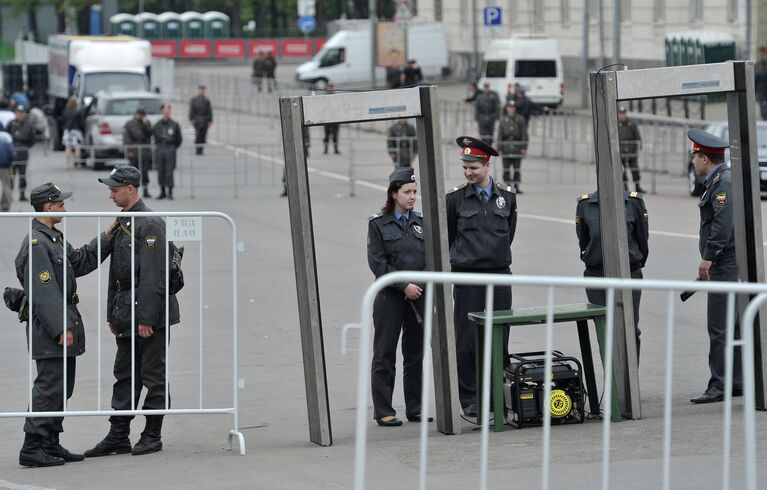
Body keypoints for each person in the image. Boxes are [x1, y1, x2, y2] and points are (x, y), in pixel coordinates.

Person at [85, 165, 180, 457]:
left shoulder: (149, 223)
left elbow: (153, 275)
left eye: (114, 189)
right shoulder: (125, 220)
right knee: (124, 374)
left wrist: (147, 318)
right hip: (128, 312)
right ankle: (118, 435)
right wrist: (113, 315)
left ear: (131, 189)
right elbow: (118, 275)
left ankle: (152, 435)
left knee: (152, 375)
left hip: (148, 315)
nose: (110, 195)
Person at [15, 183, 113, 467]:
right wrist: (61, 328)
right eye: (60, 204)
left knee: (61, 388)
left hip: (60, 324)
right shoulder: (37, 243)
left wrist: (106, 237)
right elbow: (44, 294)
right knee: (49, 387)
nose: (64, 208)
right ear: (48, 207)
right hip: (50, 329)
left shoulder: (52, 239)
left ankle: (50, 442)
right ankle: (32, 447)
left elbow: (79, 262)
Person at [446, 136, 517, 417]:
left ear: (487, 164)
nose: (468, 172)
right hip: (467, 276)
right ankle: (471, 399)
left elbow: (509, 234)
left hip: (499, 276)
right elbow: (449, 236)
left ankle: (495, 394)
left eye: (473, 167)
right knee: (467, 341)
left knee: (499, 338)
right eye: (465, 167)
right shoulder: (455, 199)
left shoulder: (507, 198)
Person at [366, 166, 431, 426]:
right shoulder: (378, 223)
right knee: (384, 353)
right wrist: (403, 285)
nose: (412, 196)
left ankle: (414, 408)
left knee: (415, 353)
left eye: (415, 192)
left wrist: (418, 284)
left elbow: (430, 257)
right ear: (394, 194)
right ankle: (383, 410)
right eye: (407, 192)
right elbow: (377, 262)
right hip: (390, 296)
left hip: (419, 294)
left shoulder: (421, 223)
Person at [687, 128, 742, 404]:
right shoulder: (720, 180)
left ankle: (720, 384)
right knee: (731, 327)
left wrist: (708, 256)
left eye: (695, 156)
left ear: (704, 158)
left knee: (719, 327)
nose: (693, 161)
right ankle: (735, 381)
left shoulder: (723, 183)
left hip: (724, 263)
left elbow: (722, 223)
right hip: (726, 262)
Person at [575, 190, 649, 361]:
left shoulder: (634, 203)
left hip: (629, 273)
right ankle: (612, 383)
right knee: (605, 329)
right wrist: (592, 257)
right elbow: (583, 240)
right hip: (597, 274)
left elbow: (642, 239)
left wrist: (633, 262)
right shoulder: (585, 205)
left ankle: (630, 384)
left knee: (629, 329)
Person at [151, 103, 182, 200]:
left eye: (168, 112)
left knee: (169, 171)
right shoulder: (157, 124)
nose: (166, 113)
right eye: (164, 112)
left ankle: (170, 192)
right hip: (160, 148)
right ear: (162, 112)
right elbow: (152, 135)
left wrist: (172, 147)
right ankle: (162, 191)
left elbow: (179, 139)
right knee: (160, 171)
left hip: (170, 148)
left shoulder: (174, 124)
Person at [496, 102, 528, 193]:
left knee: (516, 168)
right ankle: (508, 186)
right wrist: (499, 148)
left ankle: (516, 186)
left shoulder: (520, 119)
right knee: (506, 168)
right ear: (507, 109)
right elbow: (500, 135)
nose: (511, 109)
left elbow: (524, 134)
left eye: (513, 108)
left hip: (517, 146)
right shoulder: (503, 120)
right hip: (506, 147)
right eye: (509, 108)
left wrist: (523, 147)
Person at [123, 108, 153, 198]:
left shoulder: (146, 124)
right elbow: (126, 139)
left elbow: (149, 134)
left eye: (142, 115)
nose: (140, 116)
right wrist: (129, 151)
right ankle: (133, 192)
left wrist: (145, 124)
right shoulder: (129, 124)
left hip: (144, 152)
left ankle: (145, 190)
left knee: (145, 172)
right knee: (132, 173)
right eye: (139, 114)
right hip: (134, 152)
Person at [7, 104, 35, 201]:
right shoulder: (11, 123)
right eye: (18, 113)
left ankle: (22, 194)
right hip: (12, 154)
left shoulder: (29, 124)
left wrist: (25, 146)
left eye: (22, 113)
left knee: (22, 176)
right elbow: (7, 136)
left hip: (23, 154)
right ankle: (9, 194)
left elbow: (32, 139)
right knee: (11, 176)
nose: (20, 115)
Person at [618, 106, 646, 193]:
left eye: (624, 114)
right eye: (621, 114)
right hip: (621, 152)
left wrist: (638, 148)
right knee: (622, 171)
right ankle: (625, 188)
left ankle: (637, 186)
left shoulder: (632, 124)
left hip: (631, 151)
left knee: (635, 169)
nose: (622, 116)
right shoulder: (616, 125)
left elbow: (638, 137)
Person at [188, 84, 213, 156]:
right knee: (198, 135)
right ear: (199, 90)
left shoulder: (206, 100)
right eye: (201, 89)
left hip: (205, 120)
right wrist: (191, 119)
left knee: (203, 135)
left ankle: (201, 149)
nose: (202, 91)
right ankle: (197, 149)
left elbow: (209, 111)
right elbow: (191, 110)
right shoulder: (194, 100)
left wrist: (210, 121)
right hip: (197, 120)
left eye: (203, 90)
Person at [61, 98, 84, 168]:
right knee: (77, 147)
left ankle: (67, 164)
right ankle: (79, 162)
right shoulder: (78, 112)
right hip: (76, 131)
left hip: (67, 131)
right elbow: (81, 122)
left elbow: (63, 121)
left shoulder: (65, 111)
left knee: (68, 147)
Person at [322, 83, 340, 155]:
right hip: (327, 119)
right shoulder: (324, 97)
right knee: (326, 135)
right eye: (329, 86)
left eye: (332, 87)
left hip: (335, 119)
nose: (331, 88)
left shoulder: (336, 96)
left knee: (335, 135)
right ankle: (326, 149)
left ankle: (336, 149)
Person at [0, 131, 13, 211]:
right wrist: (10, 161)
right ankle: (6, 204)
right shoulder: (6, 136)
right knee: (6, 184)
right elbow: (10, 151)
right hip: (5, 165)